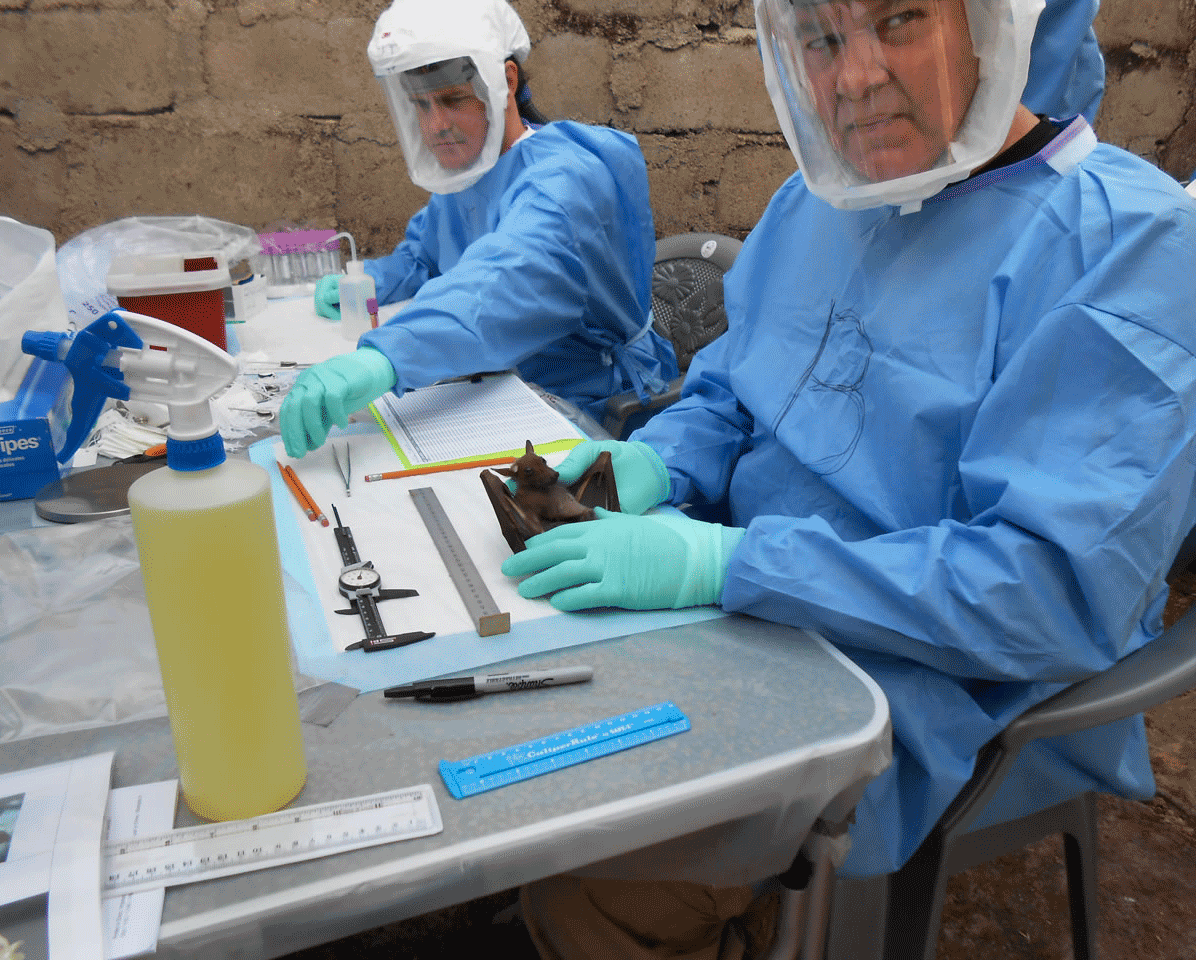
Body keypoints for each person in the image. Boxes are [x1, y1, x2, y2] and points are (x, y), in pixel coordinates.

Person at [501, 0, 1196, 955]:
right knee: (525, 758)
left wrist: (728, 566)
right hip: (758, 611)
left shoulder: (1129, 245)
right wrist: (664, 462)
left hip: (941, 680)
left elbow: (1047, 592)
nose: (855, 76)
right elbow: (737, 385)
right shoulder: (823, 198)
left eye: (900, 19)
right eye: (823, 40)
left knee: (601, 873)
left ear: (997, 28)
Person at [278, 0, 677, 459]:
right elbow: (424, 257)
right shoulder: (473, 172)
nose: (435, 125)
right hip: (501, 383)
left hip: (587, 399)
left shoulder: (565, 179)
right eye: (420, 105)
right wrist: (371, 278)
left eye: (452, 100)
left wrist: (385, 356)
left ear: (504, 82)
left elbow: (503, 281)